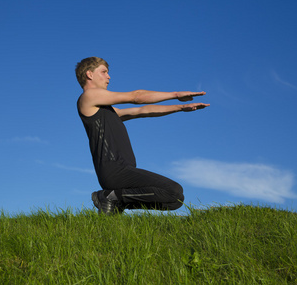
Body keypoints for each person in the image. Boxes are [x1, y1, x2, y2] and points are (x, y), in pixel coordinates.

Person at [75, 57, 210, 214]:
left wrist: (180, 107)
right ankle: (109, 197)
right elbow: (136, 97)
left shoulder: (107, 110)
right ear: (89, 74)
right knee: (173, 191)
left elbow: (142, 110)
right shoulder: (89, 96)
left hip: (124, 169)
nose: (109, 76)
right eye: (104, 72)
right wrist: (176, 94)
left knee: (174, 201)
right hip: (114, 170)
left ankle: (113, 200)